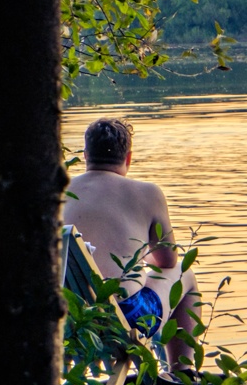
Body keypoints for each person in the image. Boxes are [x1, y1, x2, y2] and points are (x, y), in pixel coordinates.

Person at [62, 118, 202, 369]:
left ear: (85, 156)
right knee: (184, 273)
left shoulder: (60, 191)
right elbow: (167, 261)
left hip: (68, 322)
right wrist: (140, 254)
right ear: (128, 158)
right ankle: (182, 374)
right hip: (124, 321)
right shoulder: (147, 193)